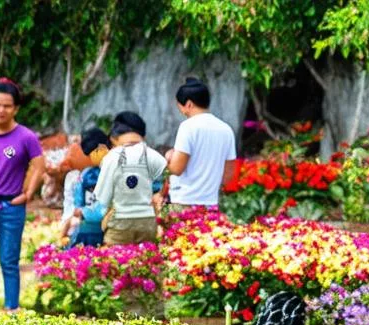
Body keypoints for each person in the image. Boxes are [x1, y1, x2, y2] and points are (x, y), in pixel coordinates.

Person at [0, 80, 44, 310]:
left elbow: (39, 165)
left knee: (9, 262)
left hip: (11, 207)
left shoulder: (25, 137)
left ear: (15, 108)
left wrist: (28, 194)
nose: (1, 110)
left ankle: (11, 308)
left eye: (7, 106)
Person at [95, 111, 167, 245]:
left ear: (113, 139)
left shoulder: (112, 158)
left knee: (117, 259)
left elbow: (102, 198)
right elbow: (165, 176)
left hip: (120, 221)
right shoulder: (150, 156)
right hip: (147, 220)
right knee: (146, 257)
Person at [165, 77, 236, 210]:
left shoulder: (187, 127)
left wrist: (169, 157)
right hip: (210, 203)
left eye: (179, 106)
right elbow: (229, 173)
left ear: (189, 104)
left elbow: (176, 169)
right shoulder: (226, 129)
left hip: (183, 202)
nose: (181, 110)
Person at [59, 128, 111, 248]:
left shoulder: (110, 171)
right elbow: (78, 204)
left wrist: (83, 212)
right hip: (90, 225)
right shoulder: (85, 176)